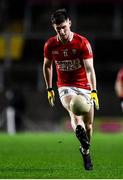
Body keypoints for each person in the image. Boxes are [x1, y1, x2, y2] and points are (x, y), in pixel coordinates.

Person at [43, 8, 99, 170]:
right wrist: (49, 88)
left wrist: (94, 91)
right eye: (57, 28)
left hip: (84, 86)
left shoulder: (82, 43)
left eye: (63, 27)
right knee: (74, 109)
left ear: (69, 23)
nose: (61, 31)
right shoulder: (50, 44)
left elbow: (89, 69)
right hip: (65, 86)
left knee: (88, 126)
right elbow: (47, 66)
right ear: (54, 28)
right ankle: (78, 128)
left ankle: (85, 151)